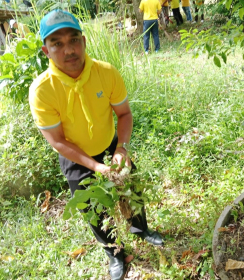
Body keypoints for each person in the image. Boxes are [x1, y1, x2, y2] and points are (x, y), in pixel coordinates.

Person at [29, 10, 163, 280]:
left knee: (131, 191)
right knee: (93, 209)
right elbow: (58, 141)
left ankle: (141, 230)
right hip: (76, 156)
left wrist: (120, 149)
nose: (69, 50)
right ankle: (115, 254)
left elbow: (124, 114)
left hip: (109, 145)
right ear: (46, 51)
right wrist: (95, 167)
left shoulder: (105, 73)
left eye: (74, 39)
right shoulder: (42, 90)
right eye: (57, 43)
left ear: (84, 41)